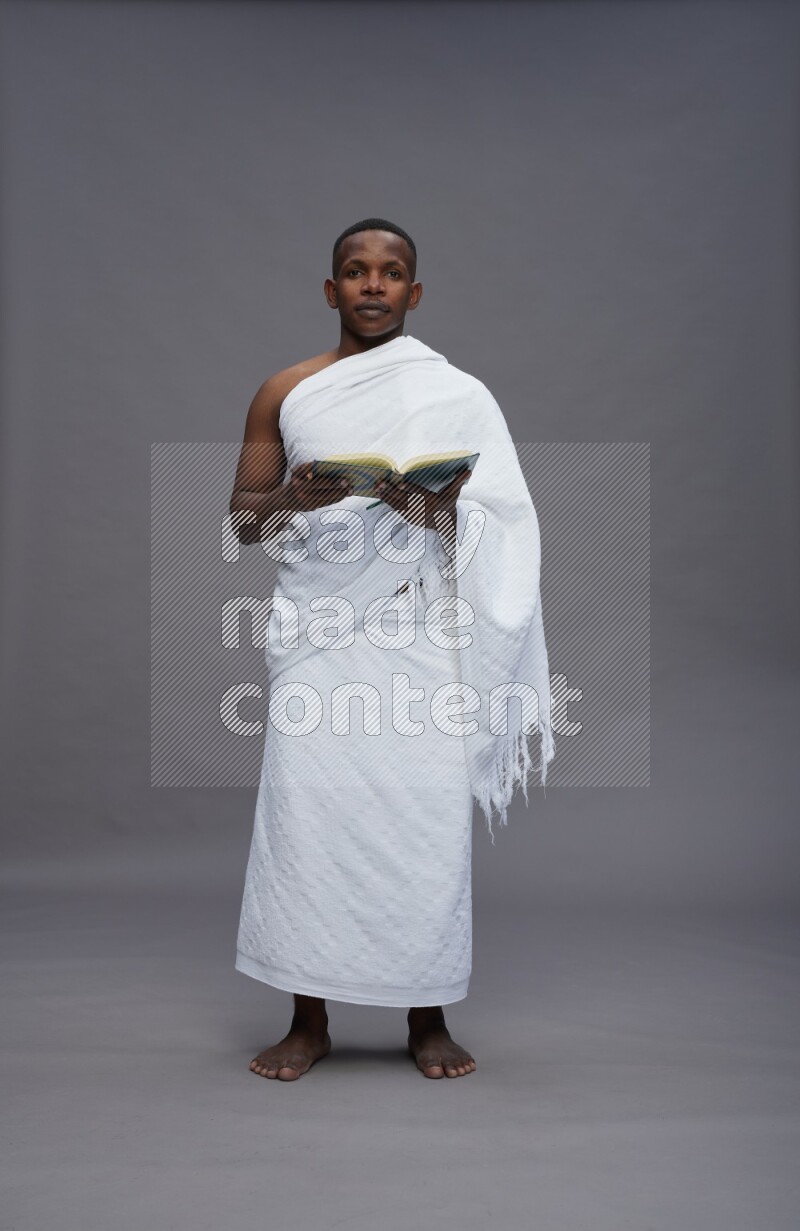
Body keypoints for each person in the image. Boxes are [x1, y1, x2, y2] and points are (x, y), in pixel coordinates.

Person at [229, 218, 552, 1080]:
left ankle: (427, 1013)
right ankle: (308, 1017)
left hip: (419, 639)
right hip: (320, 638)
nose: (373, 284)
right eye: (355, 271)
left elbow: (500, 524)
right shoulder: (285, 392)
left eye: (392, 272)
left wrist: (434, 512)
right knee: (309, 821)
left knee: (422, 820)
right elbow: (242, 522)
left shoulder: (461, 395)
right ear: (331, 291)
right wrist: (293, 496)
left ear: (415, 292)